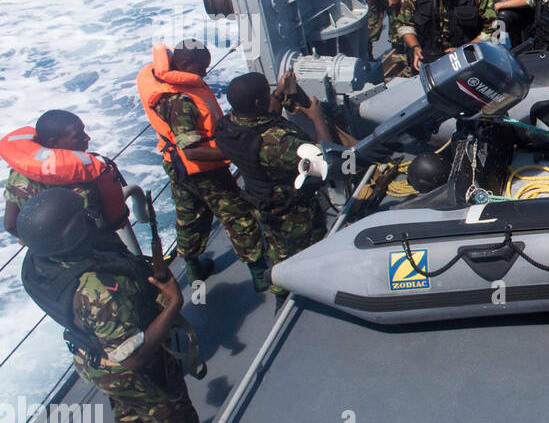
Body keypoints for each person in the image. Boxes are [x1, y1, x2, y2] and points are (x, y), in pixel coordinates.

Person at [18, 188, 202, 423]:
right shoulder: (98, 293)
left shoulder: (39, 261)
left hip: (91, 357)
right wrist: (173, 302)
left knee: (128, 410)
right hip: (125, 365)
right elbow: (135, 358)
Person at [136, 40, 269, 289]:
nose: (205, 73)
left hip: (174, 165)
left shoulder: (158, 76)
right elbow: (193, 151)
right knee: (239, 215)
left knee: (190, 216)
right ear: (185, 64)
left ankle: (193, 267)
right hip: (202, 172)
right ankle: (260, 272)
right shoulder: (180, 102)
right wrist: (233, 153)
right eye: (201, 68)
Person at [214, 73, 337, 297]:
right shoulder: (279, 143)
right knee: (307, 250)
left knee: (278, 249)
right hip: (292, 209)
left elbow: (262, 118)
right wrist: (317, 118)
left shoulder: (227, 126)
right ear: (258, 103)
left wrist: (279, 94)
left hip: (261, 199)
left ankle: (278, 287)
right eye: (266, 94)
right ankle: (295, 292)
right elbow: (324, 162)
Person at [1, 110, 128, 238]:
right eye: (78, 135)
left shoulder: (18, 174)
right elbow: (109, 220)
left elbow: (10, 225)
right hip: (92, 252)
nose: (87, 137)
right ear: (53, 143)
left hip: (43, 252)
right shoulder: (88, 178)